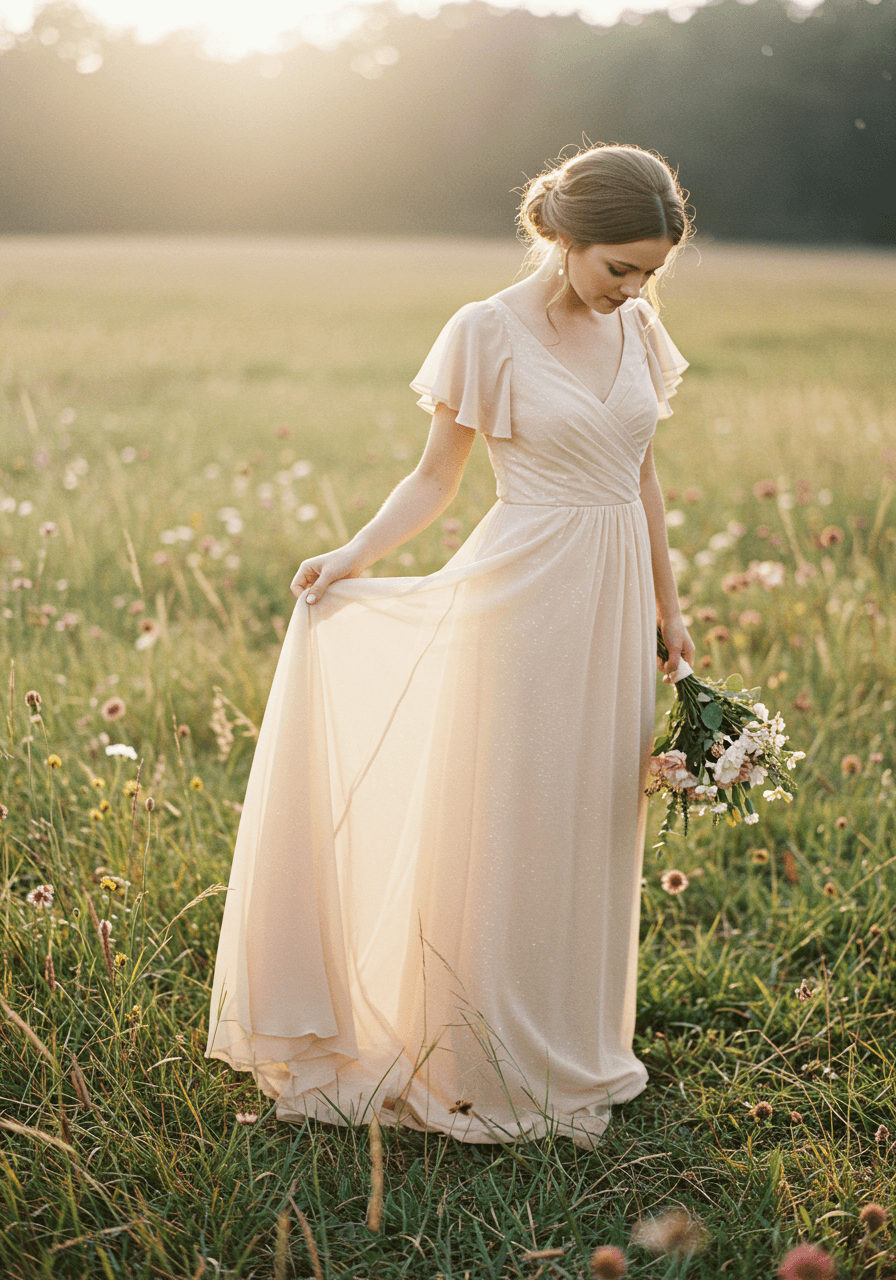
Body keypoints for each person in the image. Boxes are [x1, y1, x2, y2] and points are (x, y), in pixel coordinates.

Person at [205, 143, 697, 1149]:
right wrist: (349, 551)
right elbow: (435, 478)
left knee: (589, 821)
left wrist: (667, 604)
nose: (633, 289)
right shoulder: (487, 331)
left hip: (610, 603)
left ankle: (566, 1037)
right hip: (521, 596)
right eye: (617, 267)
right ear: (562, 238)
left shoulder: (638, 327)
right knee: (508, 817)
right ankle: (476, 1055)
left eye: (649, 271)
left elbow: (640, 472)